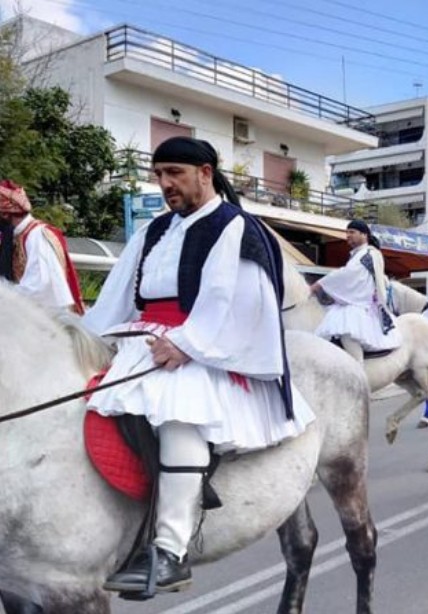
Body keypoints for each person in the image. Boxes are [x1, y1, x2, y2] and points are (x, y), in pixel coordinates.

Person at [82, 136, 315, 594]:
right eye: (160, 175)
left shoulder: (234, 227)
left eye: (175, 174)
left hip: (206, 345)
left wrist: (188, 345)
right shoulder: (153, 230)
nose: (165, 184)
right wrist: (88, 335)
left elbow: (240, 300)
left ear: (205, 173)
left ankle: (170, 551)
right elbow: (117, 297)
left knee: (178, 415)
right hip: (144, 338)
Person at [312, 219, 401, 363]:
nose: (348, 235)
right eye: (347, 233)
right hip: (356, 300)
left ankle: (357, 368)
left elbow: (349, 274)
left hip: (361, 304)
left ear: (364, 235)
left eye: (352, 232)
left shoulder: (369, 254)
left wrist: (321, 284)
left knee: (347, 332)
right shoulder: (358, 254)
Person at [0, 179, 85, 314]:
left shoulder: (37, 235)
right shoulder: (16, 236)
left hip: (49, 324)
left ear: (5, 213)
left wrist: (4, 294)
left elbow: (39, 287)